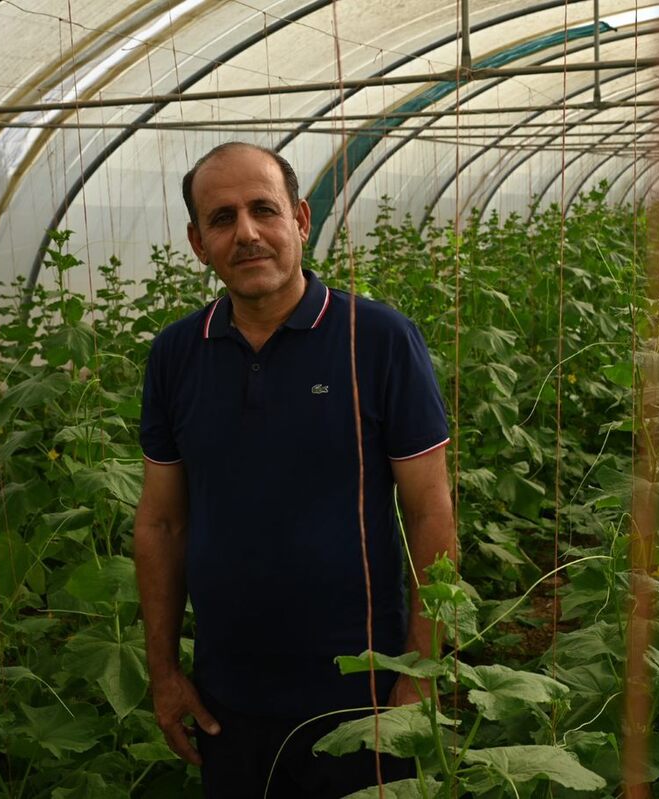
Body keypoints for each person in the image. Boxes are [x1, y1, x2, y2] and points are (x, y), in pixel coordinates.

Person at [133, 142, 456, 798]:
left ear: (301, 220)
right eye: (222, 219)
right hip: (226, 697)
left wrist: (420, 673)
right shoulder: (176, 355)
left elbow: (430, 511)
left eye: (263, 210)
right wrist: (164, 672)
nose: (246, 233)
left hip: (362, 694)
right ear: (198, 244)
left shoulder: (379, 340)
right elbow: (161, 524)